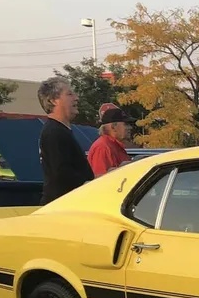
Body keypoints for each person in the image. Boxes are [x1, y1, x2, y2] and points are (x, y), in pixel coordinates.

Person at [36, 76, 94, 204]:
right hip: (61, 208)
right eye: (69, 94)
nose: (76, 98)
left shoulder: (60, 130)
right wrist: (94, 184)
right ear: (53, 100)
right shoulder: (54, 132)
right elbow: (62, 175)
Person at [87, 104, 136, 176]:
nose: (130, 128)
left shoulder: (113, 145)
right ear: (113, 127)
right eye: (126, 124)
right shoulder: (102, 147)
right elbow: (99, 181)